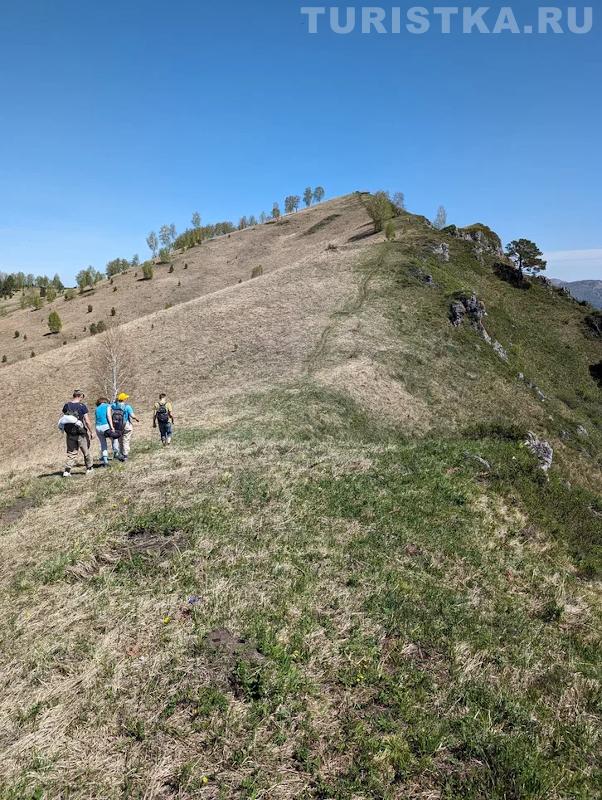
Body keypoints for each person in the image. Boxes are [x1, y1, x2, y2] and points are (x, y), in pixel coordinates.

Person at [61, 389, 94, 477]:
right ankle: (89, 468)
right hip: (81, 433)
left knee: (71, 452)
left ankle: (67, 471)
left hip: (70, 433)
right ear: (80, 396)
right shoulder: (82, 406)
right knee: (86, 451)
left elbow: (65, 418)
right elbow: (87, 421)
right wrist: (91, 432)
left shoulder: (66, 406)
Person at [111, 392, 139, 462]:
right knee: (126, 440)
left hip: (117, 425)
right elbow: (132, 415)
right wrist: (136, 418)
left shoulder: (114, 406)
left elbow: (111, 405)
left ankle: (121, 454)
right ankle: (125, 455)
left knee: (120, 440)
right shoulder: (127, 406)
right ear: (124, 399)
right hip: (126, 425)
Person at [95, 397, 114, 466]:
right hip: (105, 426)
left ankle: (105, 460)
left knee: (103, 443)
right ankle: (116, 454)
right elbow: (109, 416)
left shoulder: (96, 408)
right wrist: (112, 426)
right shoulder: (107, 406)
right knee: (114, 439)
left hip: (97, 427)